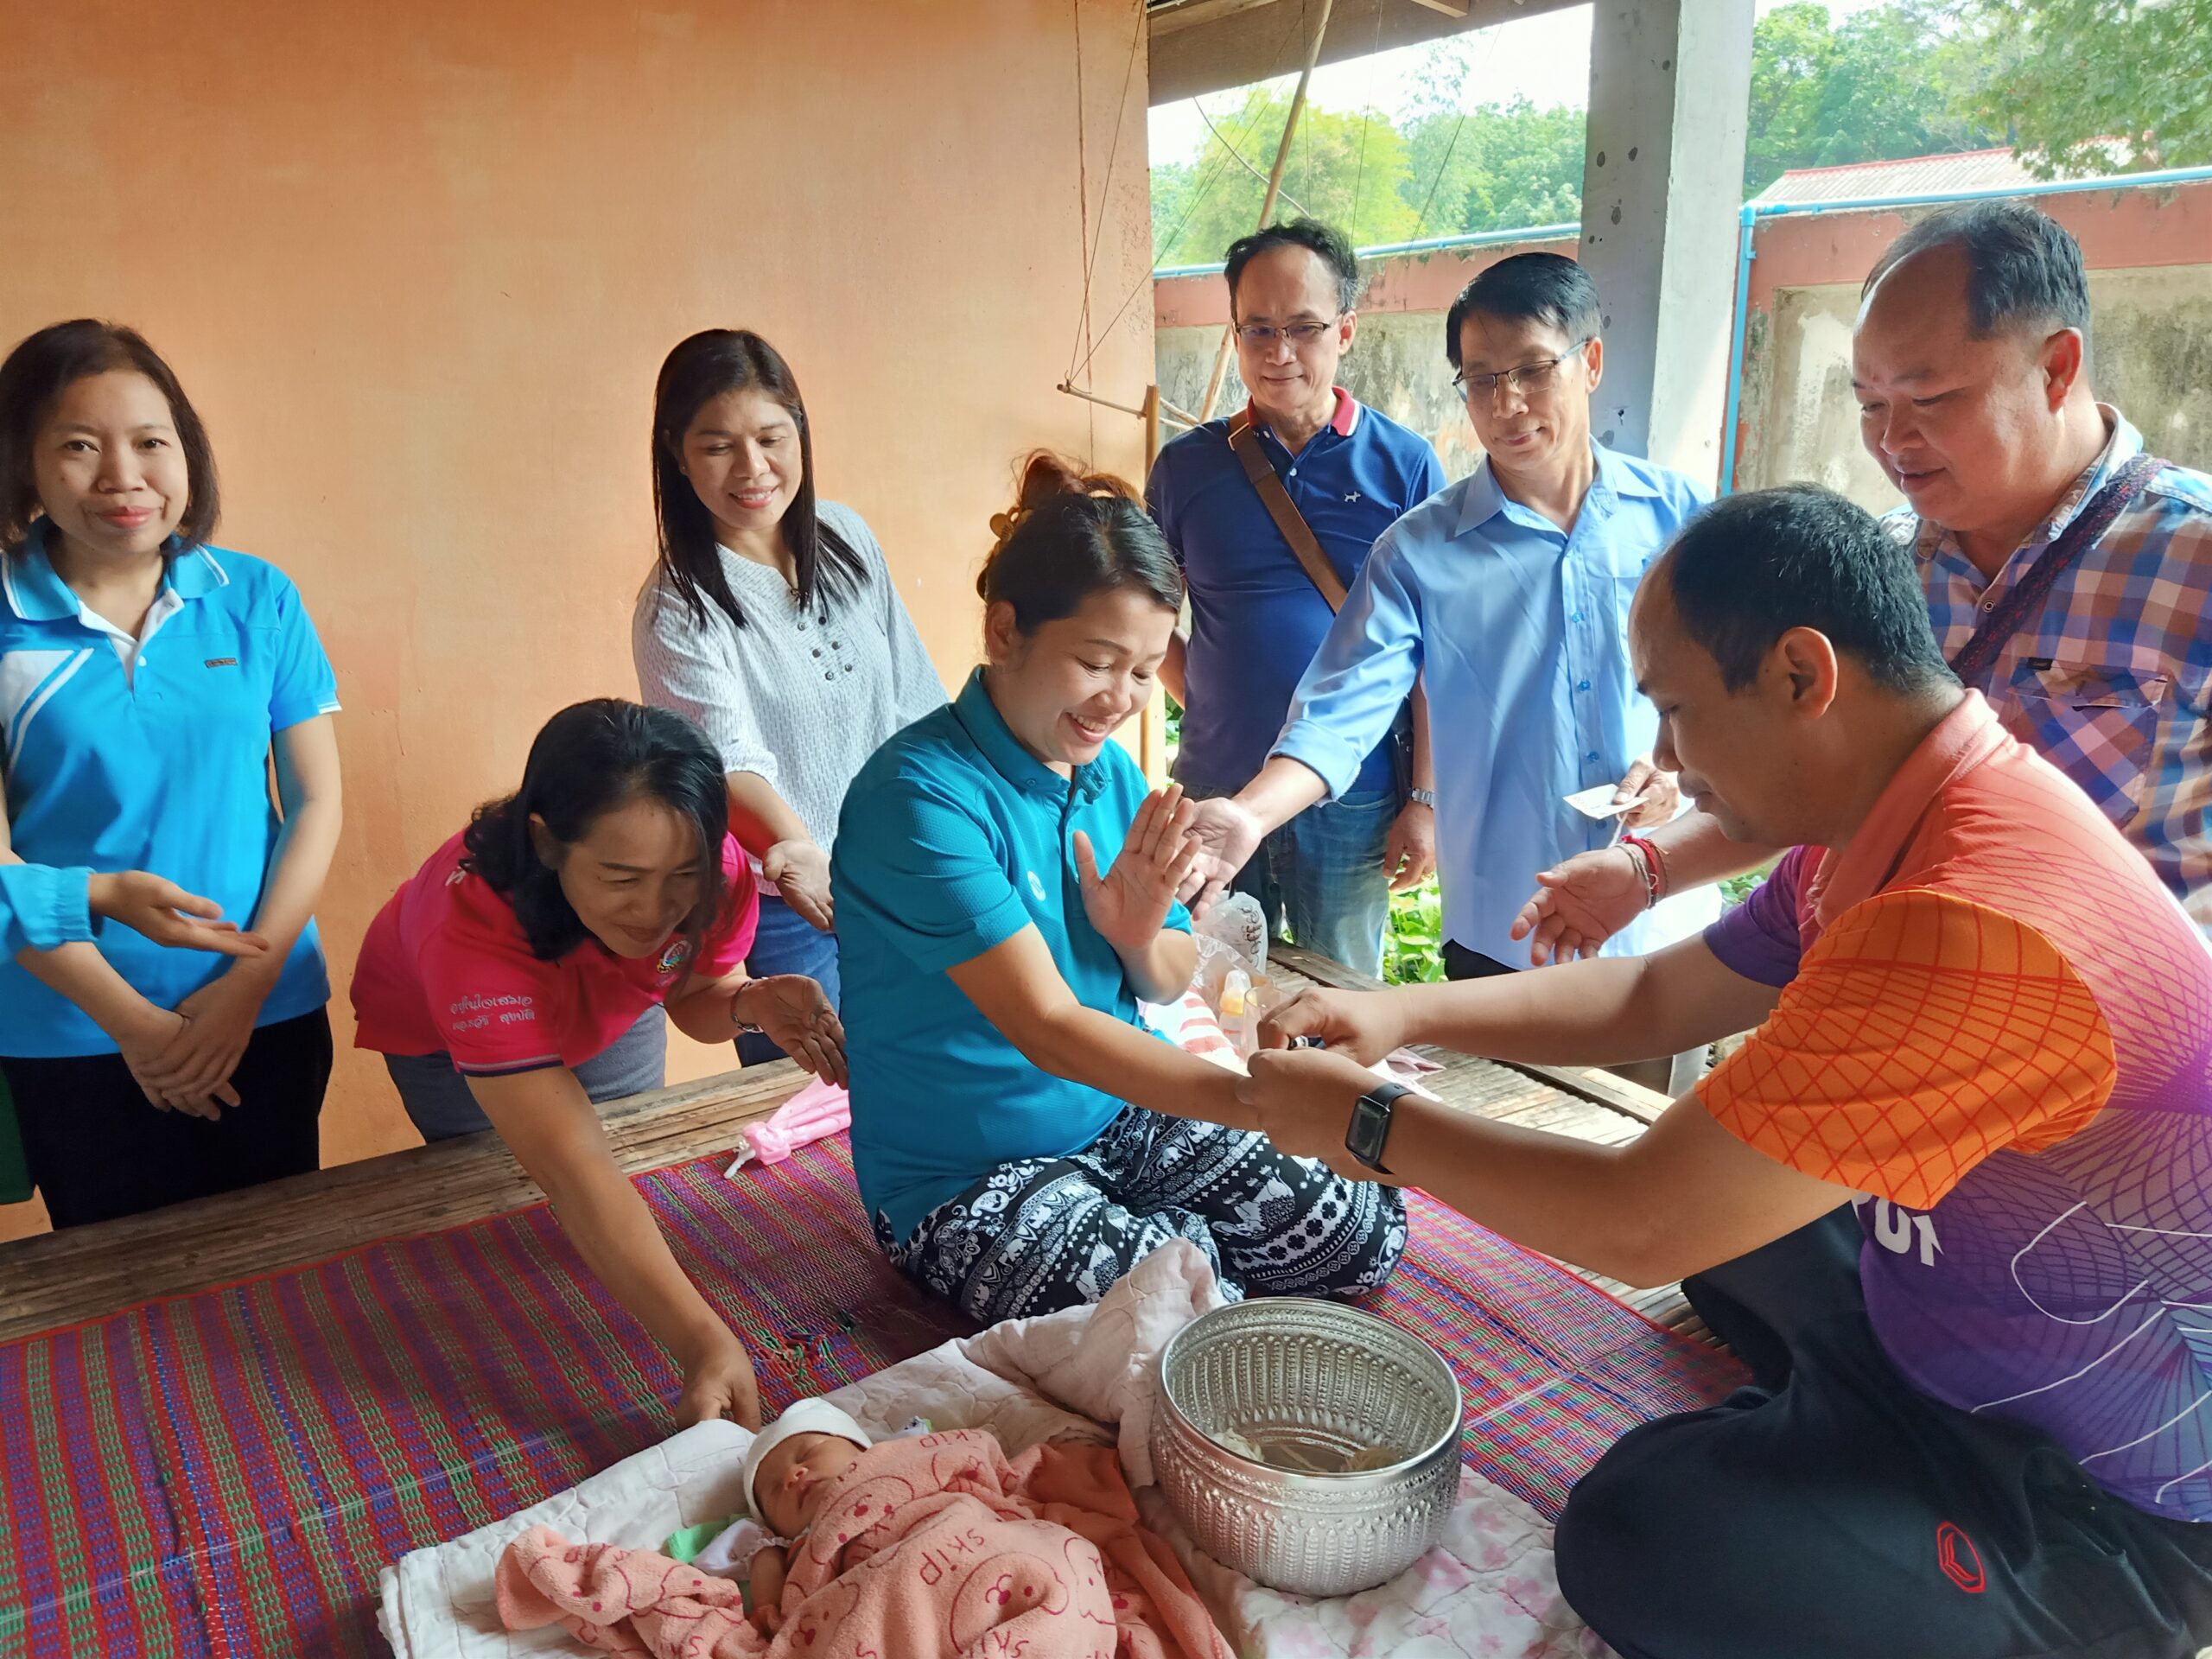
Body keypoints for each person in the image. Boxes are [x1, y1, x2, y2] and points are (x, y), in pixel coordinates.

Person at [1239, 486, 2212, 1659]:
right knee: (1739, 1221)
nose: (1664, 763)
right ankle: (1831, 1451)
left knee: (1640, 1528)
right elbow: (1659, 991)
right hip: (1958, 1305)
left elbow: (1636, 1223)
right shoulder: (1903, 807)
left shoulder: (1969, 921)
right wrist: (1398, 1013)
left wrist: (1369, 1127)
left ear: (1803, 676)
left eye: (1679, 712)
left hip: (2105, 1493)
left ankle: (1948, 1541)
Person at [1515, 200, 2212, 963]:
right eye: (1870, 404)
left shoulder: (2194, 561)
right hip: (1890, 1013)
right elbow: (1798, 776)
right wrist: (1646, 870)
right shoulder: (1883, 561)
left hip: (2115, 1054)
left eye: (1931, 399)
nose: (1892, 440)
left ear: (2056, 367)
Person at [830, 453, 1406, 1324]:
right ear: (1003, 632)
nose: (1120, 701)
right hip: (965, 1174)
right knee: (1185, 1321)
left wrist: (1137, 934)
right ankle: (1174, 1245)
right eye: (1097, 662)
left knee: (1359, 1227)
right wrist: (1262, 1100)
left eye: (1144, 671)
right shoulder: (917, 799)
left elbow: (1170, 978)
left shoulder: (1109, 781)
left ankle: (1171, 1234)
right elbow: (1051, 1030)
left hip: (1119, 1117)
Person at [1182, 252, 1718, 994]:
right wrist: (1248, 816)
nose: (1508, 404)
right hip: (1511, 927)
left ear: (1589, 362)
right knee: (1493, 1109)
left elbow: (1744, 690)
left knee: (1657, 1112)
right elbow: (1338, 713)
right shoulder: (1418, 553)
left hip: (1667, 914)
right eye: (1482, 380)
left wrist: (1679, 773)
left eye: (1533, 370)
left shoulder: (1687, 521)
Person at [350, 698, 845, 1428]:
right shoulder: (470, 931)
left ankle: (631, 1278)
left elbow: (697, 992)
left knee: (624, 1170)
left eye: (683, 873)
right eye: (621, 877)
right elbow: (571, 1165)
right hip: (440, 1038)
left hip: (613, 1007)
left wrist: (752, 1001)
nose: (655, 911)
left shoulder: (721, 875)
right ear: (547, 843)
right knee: (513, 1201)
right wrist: (703, 1343)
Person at [0, 320, 345, 1228]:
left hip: (265, 1014)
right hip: (74, 1030)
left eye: (151, 443)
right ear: (24, 462)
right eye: (79, 447)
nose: (124, 477)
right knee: (121, 1309)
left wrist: (247, 985)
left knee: (282, 1270)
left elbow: (313, 804)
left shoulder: (256, 595)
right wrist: (135, 1026)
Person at [633, 329, 945, 1067]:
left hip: (901, 869)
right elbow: (727, 764)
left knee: (929, 1071)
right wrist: (797, 850)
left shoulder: (846, 535)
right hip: (791, 906)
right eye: (717, 446)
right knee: (824, 1097)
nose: (753, 469)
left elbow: (913, 699)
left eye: (772, 437)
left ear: (800, 432)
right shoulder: (678, 606)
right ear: (677, 453)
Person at [1146, 219, 1445, 976]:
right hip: (1214, 785)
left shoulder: (1404, 465)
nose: (1279, 353)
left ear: (1345, 329)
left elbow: (1433, 656)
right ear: (1235, 334)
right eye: (1258, 330)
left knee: (1337, 995)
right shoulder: (1185, 468)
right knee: (1206, 984)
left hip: (1352, 794)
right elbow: (1145, 620)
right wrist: (1209, 701)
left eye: (1304, 328)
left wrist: (1425, 800)